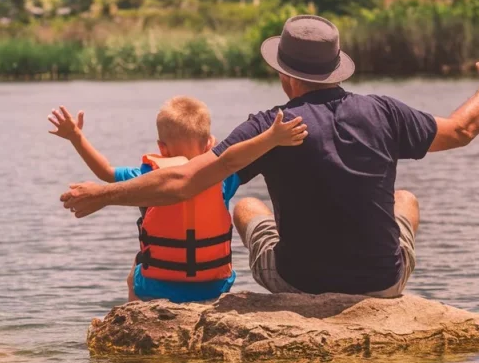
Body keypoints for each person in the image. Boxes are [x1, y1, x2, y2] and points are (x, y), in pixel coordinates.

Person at [60, 15, 479, 297]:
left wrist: (105, 193)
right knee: (407, 201)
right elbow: (463, 130)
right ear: (337, 68)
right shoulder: (384, 112)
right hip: (383, 284)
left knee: (247, 206)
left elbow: (185, 181)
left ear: (285, 75)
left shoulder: (269, 127)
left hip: (298, 283)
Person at [48, 96, 308, 303]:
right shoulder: (223, 178)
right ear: (209, 145)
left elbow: (104, 172)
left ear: (162, 148)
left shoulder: (148, 174)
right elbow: (237, 156)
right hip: (214, 286)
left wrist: (76, 136)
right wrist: (274, 138)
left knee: (134, 269)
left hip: (156, 288)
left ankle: (133, 315)